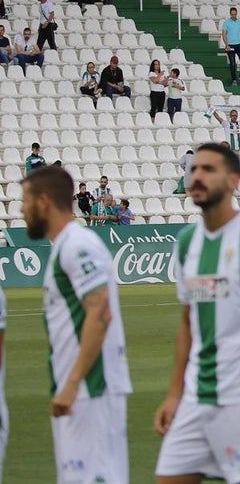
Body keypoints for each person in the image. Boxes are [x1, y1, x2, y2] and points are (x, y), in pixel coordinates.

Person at [153, 143, 240, 484]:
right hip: (195, 396)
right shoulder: (187, 241)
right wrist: (174, 394)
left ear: (233, 181)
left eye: (208, 170)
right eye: (194, 169)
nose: (197, 176)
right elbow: (188, 322)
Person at [23, 165, 131, 483]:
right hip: (81, 388)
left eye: (25, 201)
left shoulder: (77, 245)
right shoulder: (66, 246)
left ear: (44, 201)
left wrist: (71, 386)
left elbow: (100, 313)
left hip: (90, 388)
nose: (21, 209)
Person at [221, 6, 240, 86]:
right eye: (232, 14)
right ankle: (234, 79)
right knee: (232, 63)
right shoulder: (226, 23)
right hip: (230, 45)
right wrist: (226, 45)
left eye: (235, 14)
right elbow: (224, 34)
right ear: (230, 14)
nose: (234, 16)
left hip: (239, 44)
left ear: (237, 14)